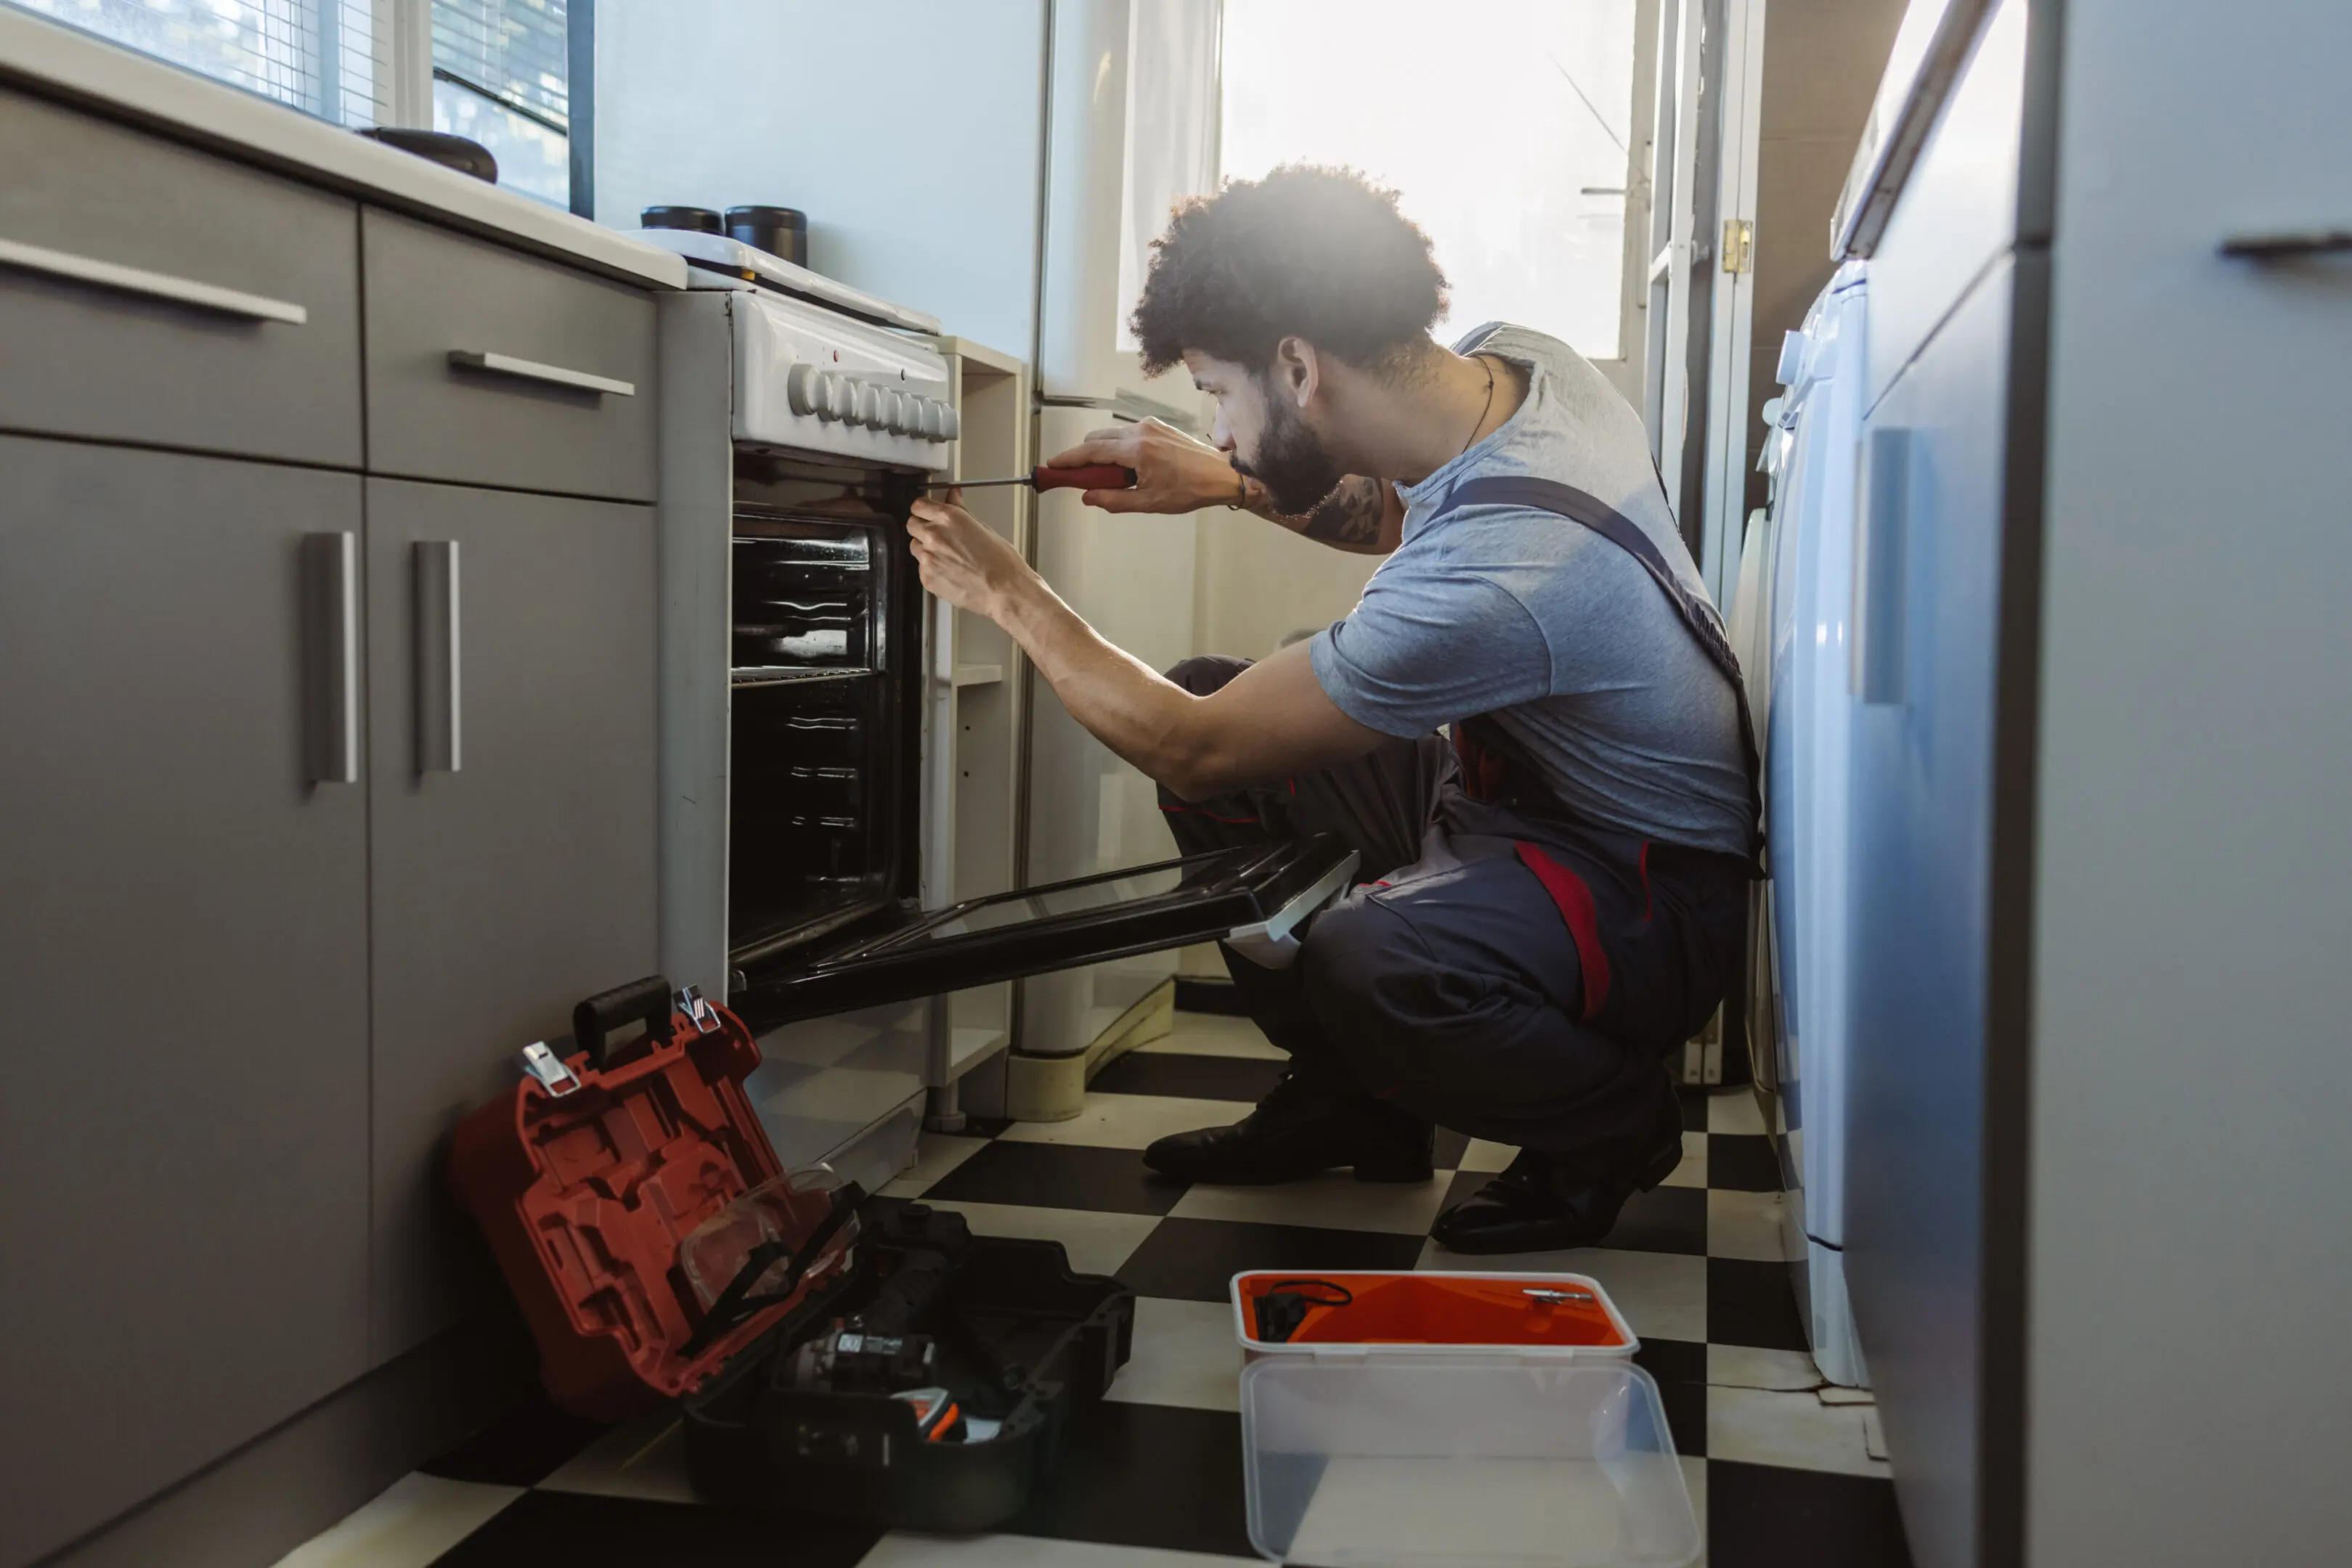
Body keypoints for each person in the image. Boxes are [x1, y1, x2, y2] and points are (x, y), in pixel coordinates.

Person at [906, 166, 1755, 1254]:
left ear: (1297, 365)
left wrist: (1003, 592)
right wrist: (1229, 483)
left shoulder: (1503, 575)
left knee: (1368, 949)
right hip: (1526, 810)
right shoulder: (1526, 370)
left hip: (1642, 891)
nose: (1213, 430)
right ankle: (1356, 1099)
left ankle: (1608, 1124)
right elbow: (1396, 517)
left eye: (1216, 394)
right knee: (1223, 689)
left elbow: (1189, 750)